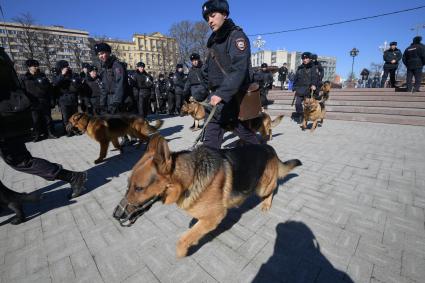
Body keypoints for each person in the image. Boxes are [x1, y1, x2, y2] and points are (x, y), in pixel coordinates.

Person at [0, 47, 87, 204]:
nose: (35, 67)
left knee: (20, 161)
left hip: (6, 120)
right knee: (19, 160)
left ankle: (72, 177)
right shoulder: (22, 74)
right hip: (11, 115)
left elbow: (49, 89)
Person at [201, 0, 259, 149]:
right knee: (211, 139)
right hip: (217, 98)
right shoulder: (213, 43)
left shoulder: (236, 36)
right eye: (207, 18)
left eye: (213, 16)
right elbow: (207, 71)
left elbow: (239, 69)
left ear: (224, 14)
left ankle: (265, 159)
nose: (210, 21)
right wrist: (202, 92)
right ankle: (210, 169)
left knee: (245, 134)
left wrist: (221, 93)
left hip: (232, 97)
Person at [21, 59, 58, 141]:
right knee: (35, 120)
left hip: (44, 101)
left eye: (37, 66)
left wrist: (52, 100)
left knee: (48, 119)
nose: (36, 67)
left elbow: (49, 89)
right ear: (29, 67)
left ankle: (50, 133)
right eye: (34, 66)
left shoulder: (42, 76)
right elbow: (23, 91)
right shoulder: (25, 78)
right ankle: (37, 135)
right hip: (33, 103)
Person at [95, 42, 127, 114]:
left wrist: (116, 101)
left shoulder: (116, 66)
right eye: (99, 54)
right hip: (109, 100)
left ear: (108, 52)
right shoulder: (104, 68)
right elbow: (103, 87)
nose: (101, 56)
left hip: (117, 101)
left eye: (102, 53)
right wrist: (102, 103)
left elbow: (120, 84)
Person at [52, 60, 81, 136]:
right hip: (63, 100)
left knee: (75, 116)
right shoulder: (57, 75)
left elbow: (78, 82)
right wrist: (62, 74)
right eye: (65, 66)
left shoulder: (72, 74)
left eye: (67, 66)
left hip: (73, 98)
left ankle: (75, 130)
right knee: (66, 117)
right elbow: (55, 83)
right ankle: (68, 131)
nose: (67, 68)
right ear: (60, 68)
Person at [292, 52, 320, 123]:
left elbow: (315, 77)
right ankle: (301, 115)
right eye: (303, 58)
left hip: (308, 89)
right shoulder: (300, 68)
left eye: (306, 58)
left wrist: (313, 84)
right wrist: (294, 87)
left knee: (307, 105)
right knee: (297, 104)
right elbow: (296, 78)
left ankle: (306, 118)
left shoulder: (313, 67)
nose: (304, 59)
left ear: (310, 59)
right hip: (300, 89)